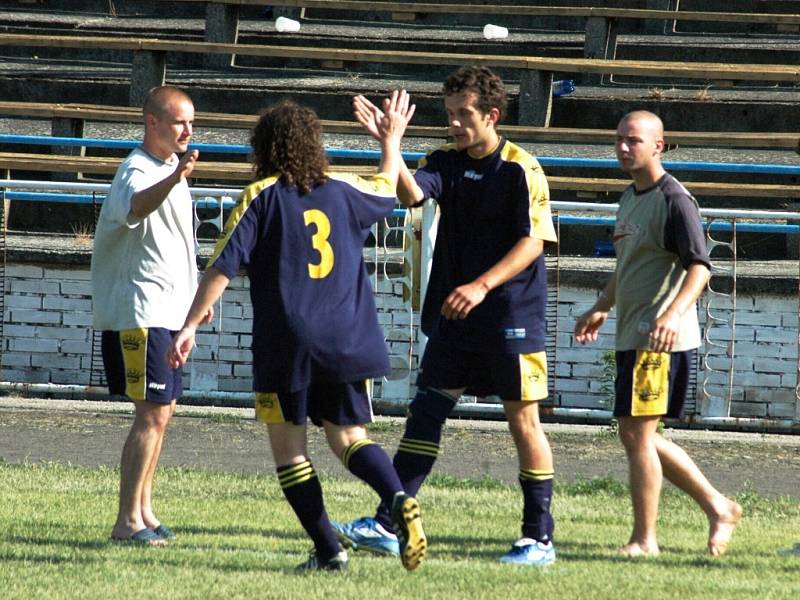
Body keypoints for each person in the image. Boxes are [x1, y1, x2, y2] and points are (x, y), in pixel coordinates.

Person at [167, 93, 427, 572]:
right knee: (350, 436)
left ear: (262, 148)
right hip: (349, 338)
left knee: (290, 451)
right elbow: (391, 188)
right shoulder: (346, 188)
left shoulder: (262, 194)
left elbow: (222, 267)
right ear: (315, 146)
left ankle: (329, 551)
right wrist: (391, 139)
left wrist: (189, 324)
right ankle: (395, 496)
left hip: (289, 342)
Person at [332, 66, 559, 566]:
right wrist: (389, 142)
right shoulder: (446, 162)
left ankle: (538, 537)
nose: (454, 123)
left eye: (464, 115)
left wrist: (481, 285)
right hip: (456, 320)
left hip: (510, 316)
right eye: (450, 114)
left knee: (524, 423)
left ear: (492, 115)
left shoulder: (522, 168)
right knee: (426, 413)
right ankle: (388, 524)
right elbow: (410, 195)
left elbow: (534, 241)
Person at [574, 110, 742, 557]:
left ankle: (645, 539)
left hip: (660, 341)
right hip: (633, 334)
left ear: (658, 146)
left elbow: (700, 268)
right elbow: (628, 267)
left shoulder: (675, 199)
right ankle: (717, 506)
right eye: (619, 140)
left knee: (639, 438)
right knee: (637, 436)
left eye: (633, 140)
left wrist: (671, 315)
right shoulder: (630, 197)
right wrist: (600, 307)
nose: (624, 148)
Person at [91, 85, 212, 546]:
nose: (188, 130)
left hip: (170, 312)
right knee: (151, 414)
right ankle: (125, 522)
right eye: (180, 122)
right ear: (153, 123)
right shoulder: (137, 170)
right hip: (140, 312)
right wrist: (176, 176)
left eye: (192, 122)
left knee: (163, 413)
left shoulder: (168, 173)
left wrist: (197, 305)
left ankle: (144, 510)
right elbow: (137, 206)